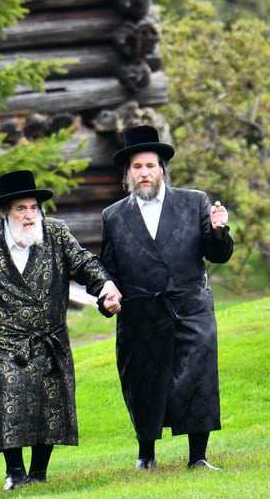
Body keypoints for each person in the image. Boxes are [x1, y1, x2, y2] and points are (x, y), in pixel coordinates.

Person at [0, 170, 122, 490]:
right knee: (5, 402)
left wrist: (106, 288)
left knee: (48, 403)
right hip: (1, 341)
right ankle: (14, 472)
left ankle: (38, 472)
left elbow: (84, 264)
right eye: (21, 209)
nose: (28, 215)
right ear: (5, 213)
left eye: (33, 207)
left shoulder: (57, 233)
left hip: (48, 336)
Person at [99, 125, 233, 471]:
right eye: (137, 168)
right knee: (142, 382)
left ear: (163, 170)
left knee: (197, 378)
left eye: (150, 166)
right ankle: (146, 454)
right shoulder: (113, 216)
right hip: (140, 313)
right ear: (128, 174)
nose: (144, 174)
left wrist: (219, 231)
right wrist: (106, 296)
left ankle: (198, 457)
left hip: (190, 307)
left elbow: (216, 255)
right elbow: (107, 269)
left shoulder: (194, 202)